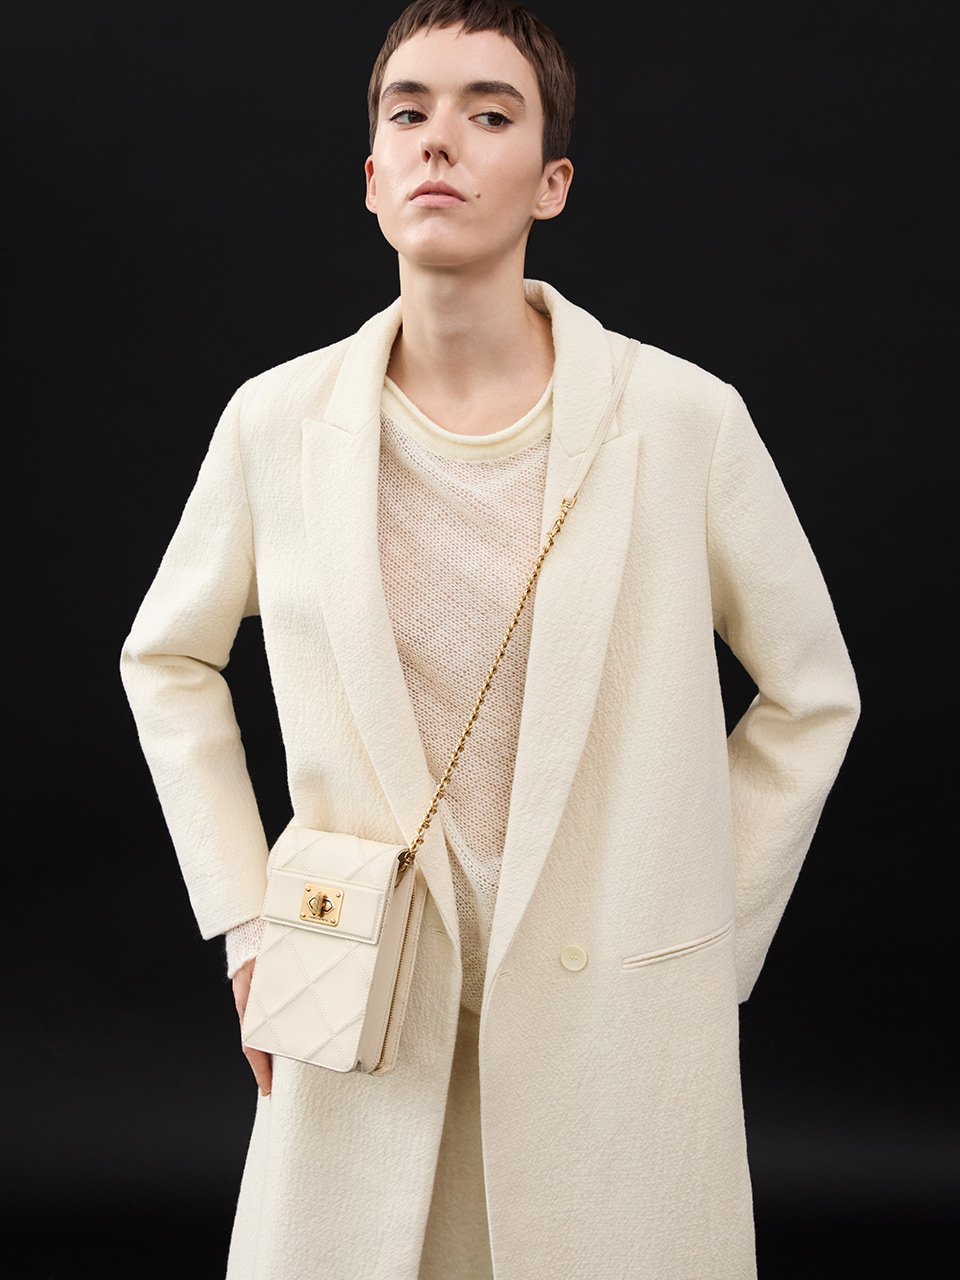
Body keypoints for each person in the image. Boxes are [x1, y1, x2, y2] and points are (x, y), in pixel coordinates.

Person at [119, 1, 861, 1277]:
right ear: (371, 177)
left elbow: (813, 692)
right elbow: (166, 657)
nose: (439, 139)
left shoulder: (682, 419)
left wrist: (694, 932)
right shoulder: (276, 424)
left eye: (489, 112)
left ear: (553, 182)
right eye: (408, 111)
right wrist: (247, 922)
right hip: (365, 1005)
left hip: (610, 1014)